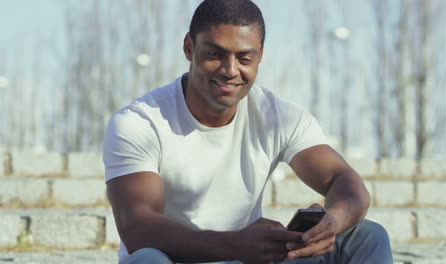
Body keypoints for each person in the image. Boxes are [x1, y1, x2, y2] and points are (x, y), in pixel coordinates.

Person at [103, 0, 393, 263]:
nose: (230, 70)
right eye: (215, 54)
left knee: (366, 235)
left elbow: (346, 182)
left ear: (260, 55)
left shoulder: (277, 117)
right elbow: (137, 228)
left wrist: (332, 221)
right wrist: (235, 245)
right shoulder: (139, 123)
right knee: (147, 261)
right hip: (180, 258)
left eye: (244, 58)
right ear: (189, 47)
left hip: (249, 258)